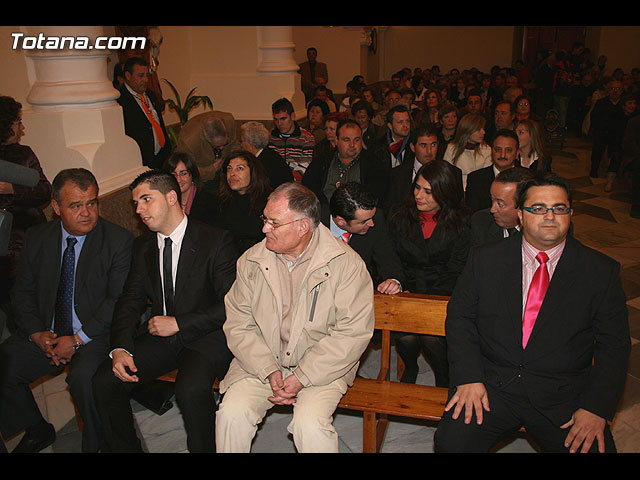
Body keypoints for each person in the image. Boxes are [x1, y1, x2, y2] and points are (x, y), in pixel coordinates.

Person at [435, 172, 631, 453]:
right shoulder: (486, 258)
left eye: (559, 208)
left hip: (561, 394)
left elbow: (615, 345)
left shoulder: (599, 272)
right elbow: (460, 317)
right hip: (492, 386)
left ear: (570, 214)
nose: (550, 216)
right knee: (451, 443)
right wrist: (468, 377)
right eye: (538, 208)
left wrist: (595, 407)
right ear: (520, 215)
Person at [215, 182, 374, 453]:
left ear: (303, 227)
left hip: (322, 367)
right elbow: (239, 322)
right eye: (265, 219)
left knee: (310, 425)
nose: (264, 228)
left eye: (274, 223)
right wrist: (268, 368)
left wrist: (302, 376)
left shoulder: (346, 265)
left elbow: (351, 333)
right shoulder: (252, 261)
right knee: (231, 413)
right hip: (263, 361)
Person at [92, 170, 237, 453]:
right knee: (105, 379)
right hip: (162, 336)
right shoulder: (143, 245)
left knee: (190, 389)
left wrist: (179, 323)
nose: (138, 209)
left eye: (146, 199)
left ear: (172, 198)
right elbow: (130, 300)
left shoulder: (216, 240)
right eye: (135, 203)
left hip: (207, 337)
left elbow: (231, 304)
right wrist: (120, 346)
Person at [0, 168, 133, 453]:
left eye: (92, 203)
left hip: (94, 335)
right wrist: (37, 334)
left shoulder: (118, 241)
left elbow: (117, 301)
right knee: (4, 363)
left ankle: (96, 444)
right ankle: (37, 428)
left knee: (85, 379)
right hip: (47, 331)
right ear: (57, 208)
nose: (86, 212)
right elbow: (22, 292)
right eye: (76, 205)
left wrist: (76, 340)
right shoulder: (38, 237)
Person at [387, 160, 471, 387]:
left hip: (442, 292)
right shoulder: (399, 215)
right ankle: (410, 366)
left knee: (431, 335)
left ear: (445, 193)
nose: (418, 196)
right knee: (406, 334)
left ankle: (443, 377)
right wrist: (402, 286)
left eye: (428, 191)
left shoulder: (461, 222)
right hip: (407, 287)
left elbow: (456, 268)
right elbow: (392, 257)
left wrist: (427, 298)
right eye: (417, 187)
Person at [0, 96, 52, 321]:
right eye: (17, 121)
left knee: (37, 289)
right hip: (3, 237)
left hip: (27, 233)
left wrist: (12, 188)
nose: (22, 127)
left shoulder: (24, 153)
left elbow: (44, 191)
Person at [325, 181, 404, 295]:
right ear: (340, 221)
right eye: (364, 221)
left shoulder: (376, 219)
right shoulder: (314, 225)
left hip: (359, 294)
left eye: (372, 217)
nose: (371, 223)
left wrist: (393, 282)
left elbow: (389, 261)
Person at [303, 119, 388, 205]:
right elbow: (308, 190)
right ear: (337, 140)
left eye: (357, 140)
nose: (352, 145)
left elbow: (378, 197)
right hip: (323, 212)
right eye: (346, 140)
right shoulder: (321, 162)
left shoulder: (374, 164)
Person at [206, 150, 273, 253]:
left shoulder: (268, 203)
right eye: (229, 169)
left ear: (253, 172)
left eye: (239, 168)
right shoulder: (222, 202)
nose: (232, 174)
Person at [385, 122, 462, 211]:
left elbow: (458, 209)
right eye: (423, 145)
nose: (429, 151)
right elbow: (390, 210)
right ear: (413, 147)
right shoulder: (397, 175)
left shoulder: (453, 173)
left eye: (433, 144)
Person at [117, 57, 171, 169]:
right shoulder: (121, 101)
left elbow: (157, 123)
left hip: (161, 158)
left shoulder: (150, 95)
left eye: (147, 75)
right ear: (128, 76)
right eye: (141, 76)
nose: (146, 80)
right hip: (141, 161)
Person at [469, 166, 535, 246]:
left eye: (500, 204)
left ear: (522, 206)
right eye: (492, 200)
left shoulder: (541, 229)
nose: (492, 209)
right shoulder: (481, 223)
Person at [465, 129, 520, 213]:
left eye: (508, 150)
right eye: (498, 150)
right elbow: (471, 216)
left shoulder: (528, 178)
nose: (502, 155)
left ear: (517, 153)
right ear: (491, 151)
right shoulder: (475, 179)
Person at [175, 111, 237, 181]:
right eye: (218, 146)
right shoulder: (188, 142)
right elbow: (186, 170)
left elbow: (234, 146)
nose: (222, 148)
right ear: (207, 139)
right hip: (203, 172)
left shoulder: (229, 121)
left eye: (225, 143)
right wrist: (210, 170)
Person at [269, 97, 315, 182]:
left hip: (295, 183)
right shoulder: (270, 137)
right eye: (276, 120)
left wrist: (287, 182)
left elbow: (304, 167)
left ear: (292, 116)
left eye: (283, 119)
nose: (279, 124)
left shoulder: (306, 138)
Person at [238, 121, 294, 190]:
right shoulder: (268, 154)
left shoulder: (262, 163)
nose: (241, 145)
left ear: (250, 143)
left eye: (241, 141)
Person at [443, 113, 492, 188]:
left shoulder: (487, 150)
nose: (483, 132)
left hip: (478, 190)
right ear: (467, 130)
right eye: (479, 129)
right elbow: (446, 175)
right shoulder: (451, 149)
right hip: (456, 190)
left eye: (483, 129)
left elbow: (485, 178)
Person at [589, 79, 625, 180]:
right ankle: (594, 169)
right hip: (602, 132)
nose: (615, 91)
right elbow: (594, 117)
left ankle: (611, 173)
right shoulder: (601, 103)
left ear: (622, 91)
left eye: (618, 89)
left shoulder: (623, 105)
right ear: (608, 90)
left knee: (616, 152)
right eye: (613, 88)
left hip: (616, 134)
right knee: (597, 151)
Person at [373, 104, 412, 169]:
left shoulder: (415, 143)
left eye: (407, 121)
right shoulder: (378, 147)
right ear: (390, 126)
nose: (406, 125)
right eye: (400, 122)